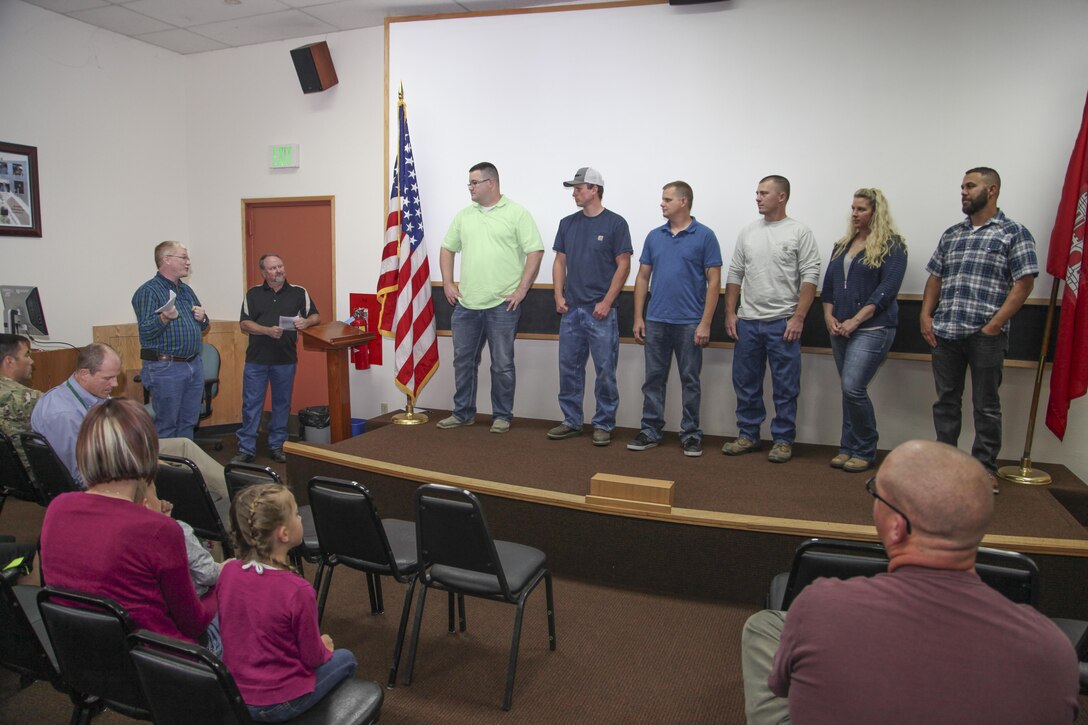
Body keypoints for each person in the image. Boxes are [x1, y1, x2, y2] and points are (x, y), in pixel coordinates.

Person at [740, 440, 1080, 724]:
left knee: (764, 626)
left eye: (876, 493)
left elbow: (781, 686)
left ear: (897, 526)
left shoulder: (819, 606)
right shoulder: (1052, 650)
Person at [39, 399, 216, 646]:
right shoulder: (158, 529)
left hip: (85, 651)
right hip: (161, 659)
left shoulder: (57, 507)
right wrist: (225, 584)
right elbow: (194, 622)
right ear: (146, 452)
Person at [920, 167, 1038, 484]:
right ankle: (944, 464)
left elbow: (1024, 283)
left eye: (970, 186)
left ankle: (984, 469)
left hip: (985, 335)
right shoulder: (952, 234)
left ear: (992, 190)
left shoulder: (1013, 232)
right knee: (946, 402)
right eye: (962, 186)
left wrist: (994, 325)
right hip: (946, 333)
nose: (963, 192)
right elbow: (935, 277)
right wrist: (925, 315)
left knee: (986, 406)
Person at [218, 483, 357, 722]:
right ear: (283, 534)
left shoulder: (228, 571)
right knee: (346, 659)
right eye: (296, 514)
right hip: (279, 702)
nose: (300, 517)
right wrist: (325, 647)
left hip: (234, 694)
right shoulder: (297, 590)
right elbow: (312, 657)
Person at [30, 343, 229, 499]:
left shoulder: (88, 394)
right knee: (176, 474)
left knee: (183, 446)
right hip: (106, 472)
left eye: (116, 377)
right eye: (108, 378)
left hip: (117, 452)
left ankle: (238, 490)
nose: (115, 384)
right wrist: (139, 462)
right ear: (84, 374)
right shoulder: (62, 414)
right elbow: (80, 474)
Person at [438, 162, 544, 433]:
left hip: (502, 304)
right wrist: (448, 283)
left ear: (491, 183)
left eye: (474, 182)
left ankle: (502, 415)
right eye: (469, 183)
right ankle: (463, 413)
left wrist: (521, 290)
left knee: (502, 364)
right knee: (463, 361)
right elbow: (447, 248)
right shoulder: (464, 216)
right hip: (467, 303)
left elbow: (535, 251)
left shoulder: (517, 213)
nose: (470, 188)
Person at [723, 175, 820, 464]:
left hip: (783, 322)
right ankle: (748, 435)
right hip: (748, 321)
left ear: (782, 196)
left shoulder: (799, 232)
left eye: (764, 193)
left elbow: (810, 278)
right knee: (746, 382)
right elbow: (734, 274)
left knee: (785, 385)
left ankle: (782, 439)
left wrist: (799, 317)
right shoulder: (748, 232)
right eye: (756, 192)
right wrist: (730, 312)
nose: (758, 197)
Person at [628, 181, 722, 457]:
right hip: (656, 320)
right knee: (653, 379)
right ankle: (650, 430)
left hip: (690, 322)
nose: (662, 203)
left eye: (667, 199)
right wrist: (638, 317)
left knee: (690, 379)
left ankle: (691, 434)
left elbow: (714, 282)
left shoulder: (705, 236)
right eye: (662, 199)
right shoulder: (654, 236)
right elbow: (643, 277)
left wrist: (705, 322)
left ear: (683, 202)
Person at [820, 189, 907, 473]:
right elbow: (830, 288)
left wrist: (855, 321)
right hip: (840, 327)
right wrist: (829, 317)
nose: (855, 214)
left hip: (872, 328)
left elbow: (886, 291)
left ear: (875, 212)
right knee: (848, 388)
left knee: (853, 386)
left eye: (861, 210)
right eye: (853, 209)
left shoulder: (893, 246)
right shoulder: (843, 245)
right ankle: (847, 447)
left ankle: (865, 448)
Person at [548, 167, 633, 447]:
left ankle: (604, 423)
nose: (574, 193)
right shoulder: (567, 223)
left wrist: (607, 302)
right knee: (568, 368)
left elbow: (624, 264)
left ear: (594, 189)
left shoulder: (615, 224)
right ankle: (571, 421)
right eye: (574, 188)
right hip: (571, 310)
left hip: (601, 313)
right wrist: (558, 295)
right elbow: (560, 261)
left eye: (579, 188)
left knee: (605, 369)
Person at [233, 254, 320, 464]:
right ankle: (246, 449)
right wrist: (265, 330)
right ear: (264, 272)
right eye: (272, 268)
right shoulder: (253, 294)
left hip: (285, 359)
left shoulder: (299, 292)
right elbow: (244, 324)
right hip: (257, 359)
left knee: (282, 404)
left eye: (280, 266)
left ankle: (277, 445)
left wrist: (306, 323)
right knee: (251, 404)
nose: (278, 270)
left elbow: (315, 316)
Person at [131, 240, 209, 440]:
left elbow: (202, 326)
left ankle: (185, 467)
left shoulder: (186, 291)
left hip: (193, 364)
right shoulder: (148, 291)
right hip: (166, 367)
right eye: (183, 257)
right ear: (166, 259)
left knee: (188, 422)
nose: (188, 262)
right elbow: (146, 333)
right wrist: (164, 317)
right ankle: (166, 470)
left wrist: (203, 319)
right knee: (167, 425)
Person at [0, 333, 40, 472]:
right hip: (34, 478)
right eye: (27, 355)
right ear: (10, 361)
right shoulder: (26, 397)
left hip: (9, 480)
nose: (31, 361)